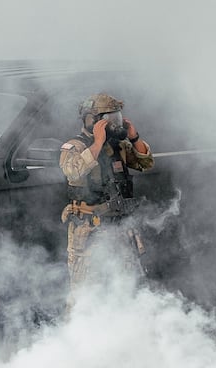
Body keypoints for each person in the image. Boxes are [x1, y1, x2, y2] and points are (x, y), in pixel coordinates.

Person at [57, 93, 154, 293]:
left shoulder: (118, 146)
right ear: (92, 120)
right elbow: (72, 170)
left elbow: (146, 162)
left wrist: (134, 137)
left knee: (126, 284)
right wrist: (98, 142)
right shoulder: (75, 146)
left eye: (117, 117)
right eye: (109, 119)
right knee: (86, 290)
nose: (115, 124)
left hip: (120, 226)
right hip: (89, 230)